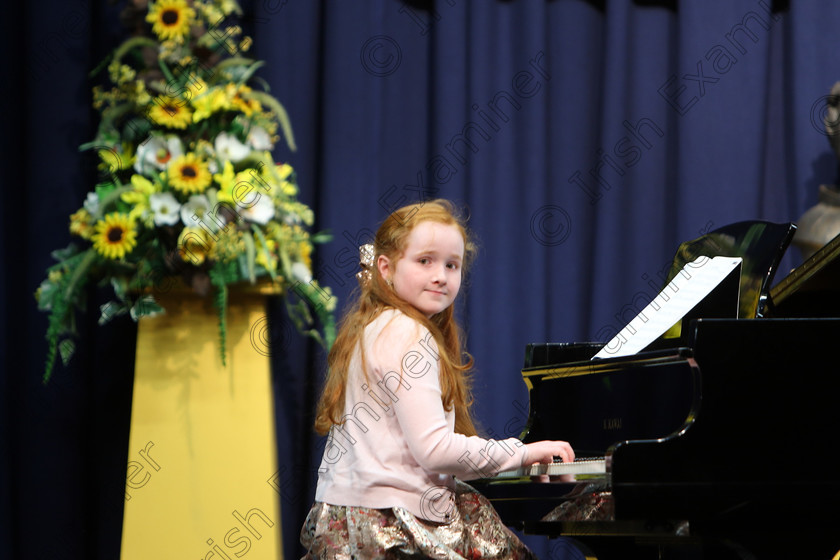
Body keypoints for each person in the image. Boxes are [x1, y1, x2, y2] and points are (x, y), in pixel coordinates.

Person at [300, 199, 575, 560]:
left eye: (452, 265)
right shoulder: (409, 335)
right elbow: (434, 451)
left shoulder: (374, 326)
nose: (440, 275)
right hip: (391, 527)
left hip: (351, 518)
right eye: (424, 261)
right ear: (386, 267)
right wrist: (522, 453)